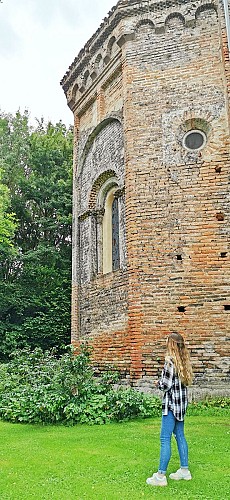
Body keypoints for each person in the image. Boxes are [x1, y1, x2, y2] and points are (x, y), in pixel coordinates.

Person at [146, 331, 194, 487]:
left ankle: (160, 476)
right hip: (181, 406)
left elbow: (165, 386)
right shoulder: (184, 362)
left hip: (171, 406)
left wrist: (157, 383)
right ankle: (184, 470)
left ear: (171, 344)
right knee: (180, 435)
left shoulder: (170, 362)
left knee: (164, 439)